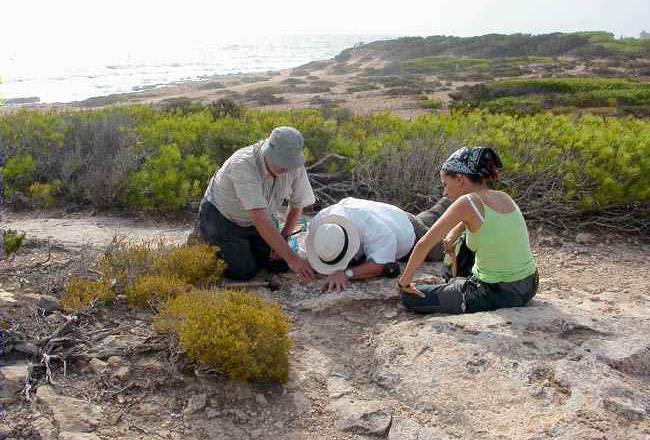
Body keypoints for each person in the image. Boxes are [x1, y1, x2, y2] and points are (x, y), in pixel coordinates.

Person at [398, 146, 538, 314]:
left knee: (409, 298)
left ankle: (457, 287)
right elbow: (487, 222)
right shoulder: (504, 197)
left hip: (497, 293)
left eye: (445, 184)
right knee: (465, 239)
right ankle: (457, 283)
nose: (445, 192)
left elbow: (424, 244)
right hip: (530, 285)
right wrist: (455, 231)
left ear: (460, 179)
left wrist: (403, 284)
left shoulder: (467, 202)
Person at [198, 126, 316, 281]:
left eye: (290, 163)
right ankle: (202, 238)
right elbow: (259, 218)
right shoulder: (243, 165)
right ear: (268, 153)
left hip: (255, 222)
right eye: (282, 163)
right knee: (243, 271)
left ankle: (244, 247)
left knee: (278, 263)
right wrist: (293, 259)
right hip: (221, 217)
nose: (287, 169)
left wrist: (285, 236)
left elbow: (297, 205)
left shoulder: (293, 165)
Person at [304, 197, 453, 292]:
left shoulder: (372, 228)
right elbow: (308, 256)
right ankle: (448, 202)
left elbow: (380, 265)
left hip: (408, 231)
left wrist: (346, 274)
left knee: (441, 249)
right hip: (390, 216)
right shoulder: (320, 226)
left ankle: (463, 209)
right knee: (431, 217)